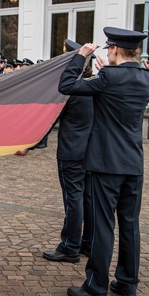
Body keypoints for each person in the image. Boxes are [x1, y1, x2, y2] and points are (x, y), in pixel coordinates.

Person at [58, 27, 149, 296]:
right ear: (137, 53)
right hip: (134, 164)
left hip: (105, 164)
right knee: (130, 224)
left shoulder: (107, 77)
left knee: (102, 226)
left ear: (113, 50)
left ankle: (96, 286)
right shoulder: (148, 78)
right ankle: (127, 283)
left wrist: (80, 57)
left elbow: (66, 86)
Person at [38, 39, 94, 264]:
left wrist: (29, 144)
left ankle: (70, 246)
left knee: (74, 199)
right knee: (88, 198)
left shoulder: (69, 89)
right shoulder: (93, 84)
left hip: (71, 151)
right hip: (91, 152)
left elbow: (48, 121)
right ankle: (87, 244)